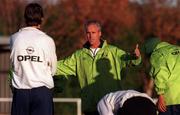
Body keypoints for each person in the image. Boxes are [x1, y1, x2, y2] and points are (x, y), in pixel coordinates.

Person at [55, 20, 141, 115]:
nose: (90, 36)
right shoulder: (78, 55)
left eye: (93, 32)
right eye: (88, 33)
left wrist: (135, 56)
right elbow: (60, 66)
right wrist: (45, 63)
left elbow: (129, 59)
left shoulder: (113, 51)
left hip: (110, 107)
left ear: (100, 33)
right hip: (90, 108)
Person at [9, 3, 57, 115]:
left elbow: (13, 64)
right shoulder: (47, 40)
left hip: (20, 93)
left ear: (25, 18)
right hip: (42, 93)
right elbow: (53, 69)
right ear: (41, 19)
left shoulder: (14, 38)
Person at [143, 37, 180, 115]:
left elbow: (160, 73)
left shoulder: (157, 53)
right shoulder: (178, 48)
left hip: (171, 99)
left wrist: (160, 95)